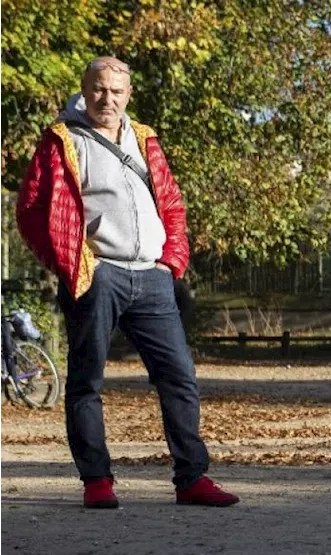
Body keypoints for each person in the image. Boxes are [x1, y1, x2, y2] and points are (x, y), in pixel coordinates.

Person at [15, 57, 238, 509]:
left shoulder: (144, 139)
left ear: (129, 94)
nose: (107, 99)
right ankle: (97, 481)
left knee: (179, 376)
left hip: (152, 276)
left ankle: (192, 478)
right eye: (99, 89)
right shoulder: (62, 139)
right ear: (85, 89)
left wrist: (171, 261)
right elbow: (31, 210)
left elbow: (171, 204)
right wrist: (73, 262)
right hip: (99, 275)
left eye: (117, 91)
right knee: (86, 380)